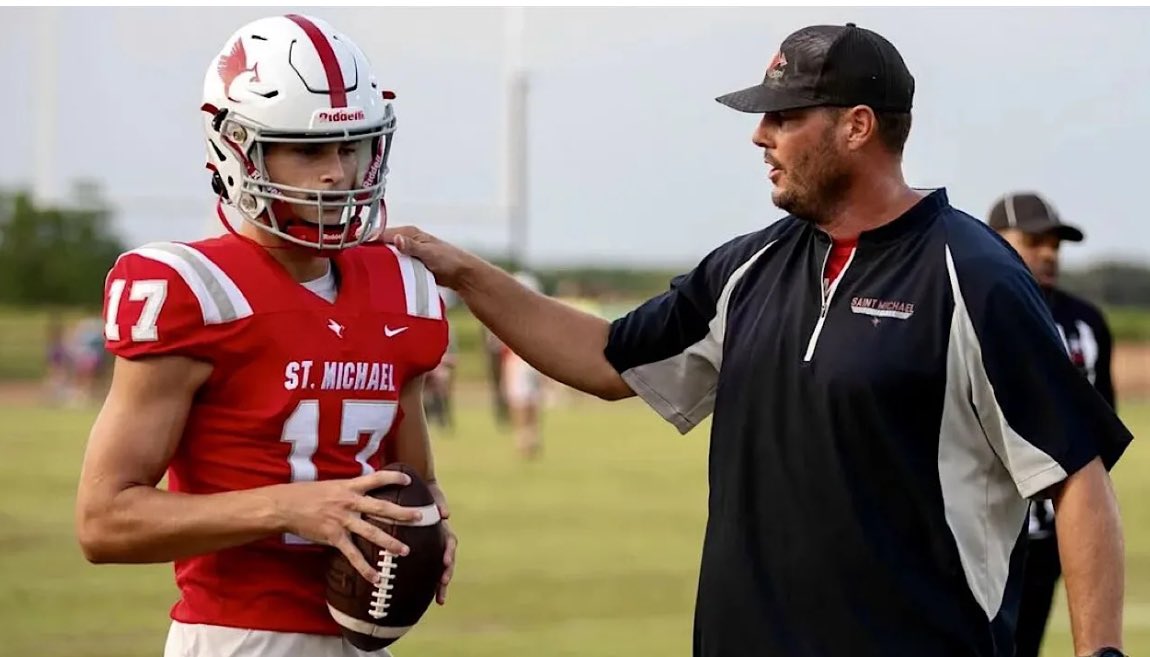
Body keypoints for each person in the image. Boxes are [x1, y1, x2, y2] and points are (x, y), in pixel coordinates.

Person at [380, 22, 1132, 657]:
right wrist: (464, 272)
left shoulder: (973, 276)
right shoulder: (749, 266)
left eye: (783, 117)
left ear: (857, 126)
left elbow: (1076, 476)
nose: (759, 135)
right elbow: (608, 358)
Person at [74, 14, 456, 657]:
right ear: (238, 147)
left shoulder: (403, 287)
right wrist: (288, 508)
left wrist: (423, 527)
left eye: (352, 146)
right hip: (239, 637)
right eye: (308, 150)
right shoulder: (192, 288)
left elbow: (405, 478)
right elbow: (105, 522)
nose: (337, 172)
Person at [988, 191, 1118, 657]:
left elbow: (1101, 429)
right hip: (985, 529)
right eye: (1034, 240)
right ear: (995, 239)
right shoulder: (967, 309)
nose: (1048, 253)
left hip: (1052, 528)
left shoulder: (1087, 322)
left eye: (1055, 245)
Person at [502, 271, 546, 458]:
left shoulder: (510, 315)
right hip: (534, 360)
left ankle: (524, 437)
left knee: (520, 400)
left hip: (519, 360)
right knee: (531, 399)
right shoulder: (540, 314)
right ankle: (531, 435)